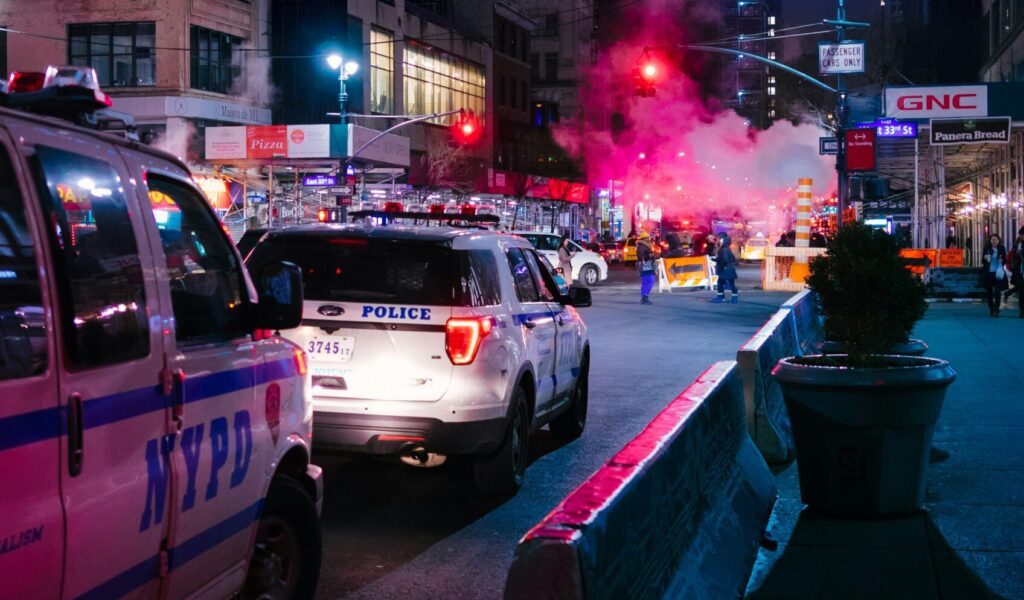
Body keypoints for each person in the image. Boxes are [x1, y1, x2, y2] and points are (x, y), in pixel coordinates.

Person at [981, 233, 1009, 317]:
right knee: (989, 291)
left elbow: (1005, 260)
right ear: (990, 240)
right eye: (993, 240)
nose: (995, 241)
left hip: (998, 272)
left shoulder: (1001, 248)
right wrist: (985, 259)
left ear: (999, 240)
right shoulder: (987, 248)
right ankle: (991, 307)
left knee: (997, 291)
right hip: (989, 272)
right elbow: (982, 261)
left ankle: (997, 308)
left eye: (996, 240)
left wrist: (1002, 261)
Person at [712, 233, 739, 304]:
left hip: (725, 269)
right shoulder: (726, 248)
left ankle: (721, 298)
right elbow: (732, 258)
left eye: (718, 238)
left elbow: (725, 259)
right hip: (728, 268)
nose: (717, 240)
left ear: (722, 239)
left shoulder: (724, 249)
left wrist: (718, 261)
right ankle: (733, 298)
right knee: (728, 283)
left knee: (723, 283)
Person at [1005, 227, 1024, 317]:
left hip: (1019, 269)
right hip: (1020, 269)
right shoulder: (1018, 244)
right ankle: (1022, 311)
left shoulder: (1018, 244)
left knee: (1021, 288)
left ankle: (1008, 293)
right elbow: (1014, 256)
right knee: (1022, 289)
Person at [637, 232, 656, 305]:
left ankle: (644, 298)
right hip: (646, 266)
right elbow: (641, 256)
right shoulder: (642, 246)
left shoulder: (643, 245)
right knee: (650, 281)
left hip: (645, 266)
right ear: (644, 239)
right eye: (648, 237)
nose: (649, 239)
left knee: (645, 282)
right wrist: (649, 256)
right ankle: (645, 297)